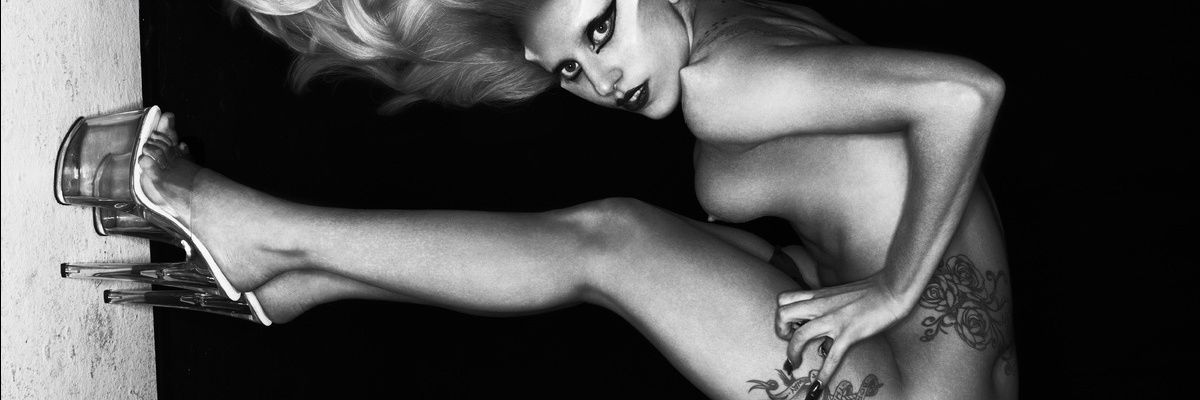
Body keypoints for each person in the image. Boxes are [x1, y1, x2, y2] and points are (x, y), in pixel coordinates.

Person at [138, 0, 1015, 398]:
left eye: (602, 28)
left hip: (908, 382)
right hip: (905, 349)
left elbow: (964, 94)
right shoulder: (726, 21)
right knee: (631, 240)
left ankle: (266, 239)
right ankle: (303, 284)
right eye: (570, 69)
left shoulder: (726, 84)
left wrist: (892, 289)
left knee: (610, 243)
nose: (604, 79)